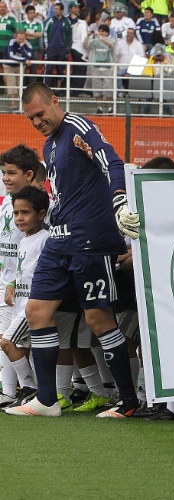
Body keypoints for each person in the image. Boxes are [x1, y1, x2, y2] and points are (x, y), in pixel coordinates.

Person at [7, 83, 140, 419]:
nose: (36, 121)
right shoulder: (49, 144)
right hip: (59, 240)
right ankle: (48, 400)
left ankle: (127, 401)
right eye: (30, 118)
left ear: (55, 101)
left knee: (98, 320)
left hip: (91, 241)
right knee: (37, 311)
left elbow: (111, 160)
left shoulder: (80, 127)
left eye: (39, 114)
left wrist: (120, 201)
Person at [0, 145, 43, 408]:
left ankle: (33, 388)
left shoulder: (37, 204)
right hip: (6, 280)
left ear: (28, 174)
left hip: (23, 285)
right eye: (3, 172)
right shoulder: (7, 201)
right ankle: (9, 391)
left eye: (11, 173)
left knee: (14, 339)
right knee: (4, 337)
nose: (5, 178)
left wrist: (14, 281)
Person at [85, 24, 115, 114]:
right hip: (96, 68)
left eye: (102, 31)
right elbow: (85, 46)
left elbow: (110, 45)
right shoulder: (95, 41)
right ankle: (99, 107)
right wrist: (87, 36)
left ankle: (111, 108)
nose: (100, 33)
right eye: (100, 31)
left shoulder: (111, 40)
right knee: (97, 89)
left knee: (109, 89)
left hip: (107, 68)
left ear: (106, 33)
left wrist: (99, 36)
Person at [4, 30, 33, 110]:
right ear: (15, 37)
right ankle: (13, 103)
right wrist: (24, 60)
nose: (20, 40)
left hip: (19, 66)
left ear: (25, 38)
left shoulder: (28, 45)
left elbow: (28, 57)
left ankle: (20, 103)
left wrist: (22, 47)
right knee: (12, 84)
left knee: (19, 84)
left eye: (22, 39)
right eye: (19, 39)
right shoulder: (11, 42)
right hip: (9, 65)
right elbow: (11, 56)